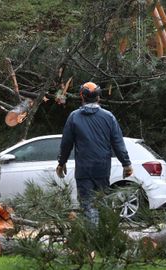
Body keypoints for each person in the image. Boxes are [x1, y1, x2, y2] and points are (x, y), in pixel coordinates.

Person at [56, 82, 133, 224]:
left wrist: (61, 162)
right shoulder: (108, 117)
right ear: (98, 97)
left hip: (84, 170)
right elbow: (118, 142)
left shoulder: (74, 117)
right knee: (102, 204)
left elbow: (66, 143)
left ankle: (91, 238)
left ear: (82, 97)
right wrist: (126, 164)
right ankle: (102, 239)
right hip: (102, 169)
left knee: (87, 205)